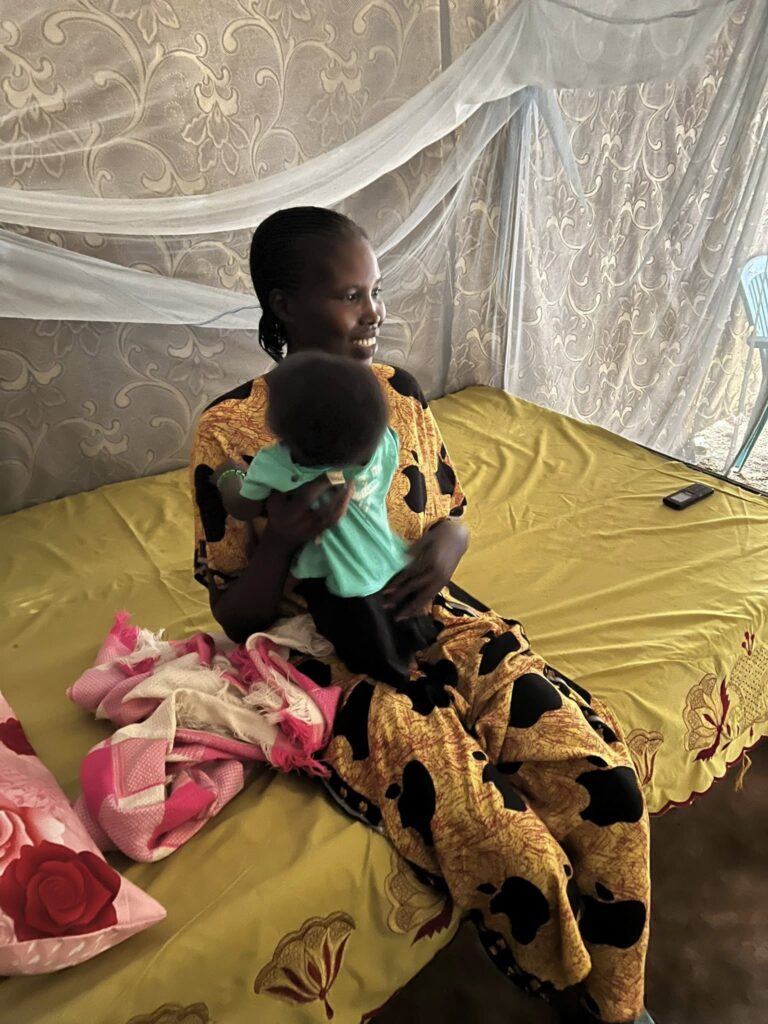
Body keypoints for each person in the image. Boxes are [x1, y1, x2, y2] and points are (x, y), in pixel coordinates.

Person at [190, 206, 654, 1024]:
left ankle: (620, 1005)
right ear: (286, 306)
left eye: (375, 292)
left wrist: (449, 547)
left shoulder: (398, 393)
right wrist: (280, 545)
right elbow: (234, 612)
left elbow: (447, 510)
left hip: (436, 614)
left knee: (606, 781)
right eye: (348, 296)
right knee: (506, 843)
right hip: (332, 652)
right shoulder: (231, 431)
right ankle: (568, 989)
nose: (373, 313)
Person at [215, 350, 439, 684]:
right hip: (391, 563)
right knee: (407, 628)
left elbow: (243, 507)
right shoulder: (382, 448)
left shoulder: (279, 465)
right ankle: (416, 659)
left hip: (340, 587)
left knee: (364, 654)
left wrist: (227, 475)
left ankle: (397, 680)